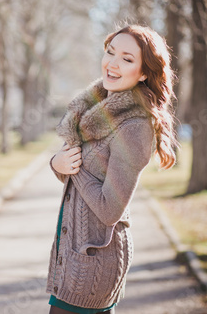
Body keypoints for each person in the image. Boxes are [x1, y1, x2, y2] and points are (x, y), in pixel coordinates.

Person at [47, 25, 179, 314]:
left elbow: (110, 209)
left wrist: (72, 164)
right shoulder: (96, 108)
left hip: (93, 263)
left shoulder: (134, 127)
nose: (113, 63)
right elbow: (75, 170)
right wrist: (56, 163)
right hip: (72, 256)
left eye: (127, 59)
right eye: (110, 52)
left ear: (144, 72)